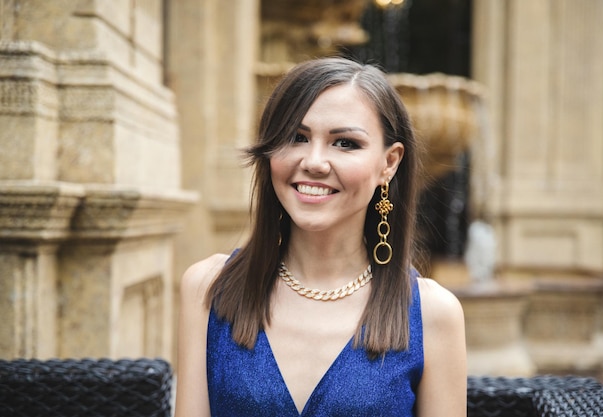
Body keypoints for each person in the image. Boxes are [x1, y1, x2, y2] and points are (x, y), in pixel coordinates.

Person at [175, 57, 466, 417]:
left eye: (344, 143)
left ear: (389, 163)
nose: (314, 161)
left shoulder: (434, 313)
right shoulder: (207, 287)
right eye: (296, 137)